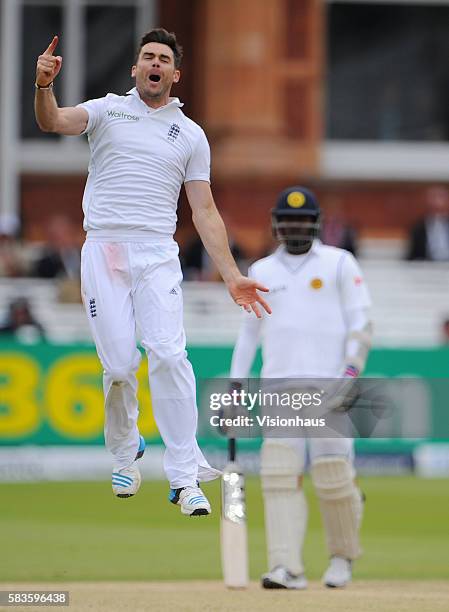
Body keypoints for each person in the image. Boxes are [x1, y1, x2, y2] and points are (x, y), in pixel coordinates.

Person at [34, 28, 270, 516]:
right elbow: (53, 121)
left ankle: (184, 477)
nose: (154, 64)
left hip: (157, 253)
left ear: (174, 74)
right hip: (103, 250)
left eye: (163, 58)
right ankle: (125, 450)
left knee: (168, 353)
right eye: (147, 57)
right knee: (120, 366)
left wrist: (231, 275)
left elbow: (204, 211)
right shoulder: (106, 110)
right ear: (135, 69)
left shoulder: (190, 134)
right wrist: (43, 86)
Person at [230, 186, 373, 588]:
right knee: (278, 474)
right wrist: (236, 387)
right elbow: (248, 335)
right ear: (277, 224)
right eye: (288, 220)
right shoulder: (260, 271)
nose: (294, 227)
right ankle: (285, 566)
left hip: (333, 388)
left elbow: (361, 323)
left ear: (315, 223)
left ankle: (342, 558)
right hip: (280, 390)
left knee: (333, 476)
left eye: (302, 220)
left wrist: (351, 372)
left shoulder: (339, 263)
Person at [407, 186, 449, 261]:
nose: (437, 202)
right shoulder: (418, 228)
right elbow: (413, 254)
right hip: (427, 267)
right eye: (434, 198)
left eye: (441, 197)